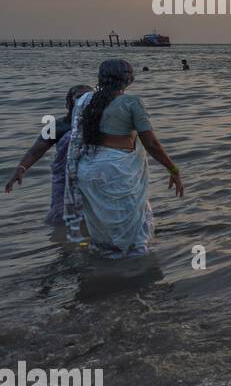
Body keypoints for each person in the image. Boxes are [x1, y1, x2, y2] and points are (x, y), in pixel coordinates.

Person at [64, 59, 183, 257]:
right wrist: (173, 170)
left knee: (104, 227)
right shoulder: (131, 102)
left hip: (88, 169)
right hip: (116, 171)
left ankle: (104, 265)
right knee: (131, 229)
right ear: (128, 79)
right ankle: (133, 269)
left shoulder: (85, 101)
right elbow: (151, 144)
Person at [5, 83, 93, 226]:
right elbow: (35, 151)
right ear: (69, 102)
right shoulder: (58, 126)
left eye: (89, 97)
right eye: (79, 97)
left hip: (93, 177)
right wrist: (21, 168)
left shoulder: (101, 124)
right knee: (61, 218)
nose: (84, 100)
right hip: (65, 178)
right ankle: (63, 243)